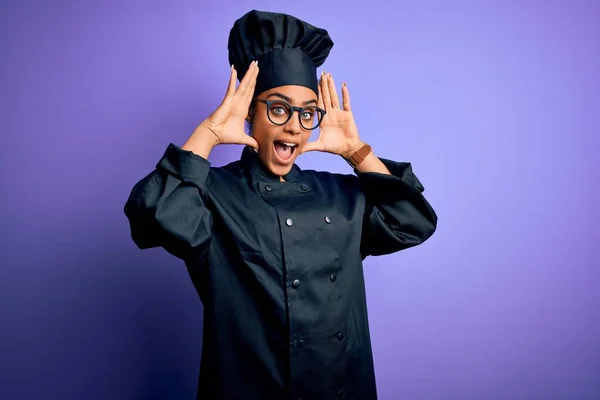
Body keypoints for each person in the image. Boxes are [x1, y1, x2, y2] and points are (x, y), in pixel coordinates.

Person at [124, 9, 437, 400]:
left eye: (307, 113)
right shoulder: (211, 193)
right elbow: (150, 217)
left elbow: (413, 222)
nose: (294, 125)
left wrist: (357, 152)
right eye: (278, 108)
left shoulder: (342, 195)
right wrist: (207, 134)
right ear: (250, 112)